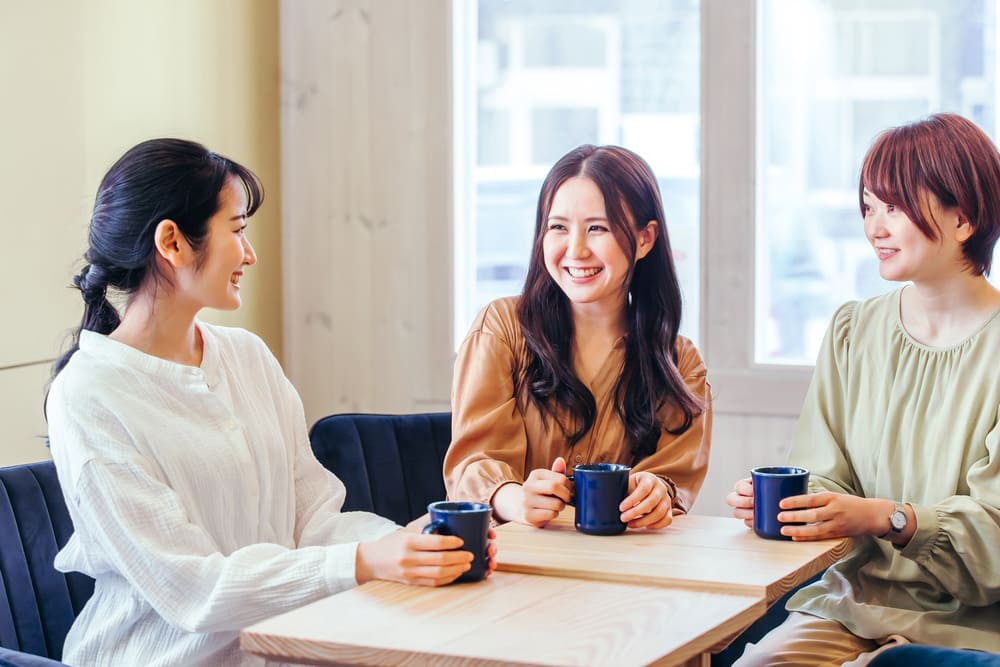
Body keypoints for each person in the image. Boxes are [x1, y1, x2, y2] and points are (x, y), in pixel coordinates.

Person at [46, 138, 495, 667]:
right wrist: (365, 562)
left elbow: (312, 522)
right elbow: (192, 588)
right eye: (236, 229)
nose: (250, 252)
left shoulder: (247, 357)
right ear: (172, 242)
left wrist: (410, 545)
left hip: (283, 652)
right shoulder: (88, 395)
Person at [726, 113, 1000, 665]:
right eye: (868, 208)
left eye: (893, 207)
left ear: (964, 217)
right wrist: (794, 506)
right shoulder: (854, 331)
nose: (874, 227)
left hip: (970, 628)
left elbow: (994, 537)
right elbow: (829, 476)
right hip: (851, 604)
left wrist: (886, 517)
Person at [444, 144, 712, 529]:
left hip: (617, 572)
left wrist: (655, 493)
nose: (575, 249)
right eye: (558, 227)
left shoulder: (680, 364)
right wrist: (517, 500)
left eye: (597, 228)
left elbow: (674, 481)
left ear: (645, 239)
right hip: (507, 565)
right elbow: (472, 465)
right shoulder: (501, 328)